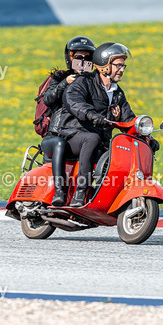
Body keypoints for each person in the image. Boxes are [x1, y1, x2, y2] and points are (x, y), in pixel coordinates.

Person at [57, 42, 136, 208]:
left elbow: (128, 118)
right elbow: (74, 102)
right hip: (72, 134)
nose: (121, 69)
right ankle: (80, 192)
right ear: (104, 66)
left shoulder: (117, 93)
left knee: (121, 149)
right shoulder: (83, 82)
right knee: (91, 138)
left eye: (123, 66)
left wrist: (145, 135)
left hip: (99, 138)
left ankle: (109, 196)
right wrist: (91, 114)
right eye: (118, 65)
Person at [41, 36, 96, 206]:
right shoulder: (59, 78)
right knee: (59, 144)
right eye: (79, 57)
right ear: (70, 58)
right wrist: (65, 82)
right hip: (55, 135)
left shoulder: (94, 82)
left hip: (78, 135)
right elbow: (48, 99)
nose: (83, 61)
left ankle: (87, 192)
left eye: (87, 57)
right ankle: (60, 191)